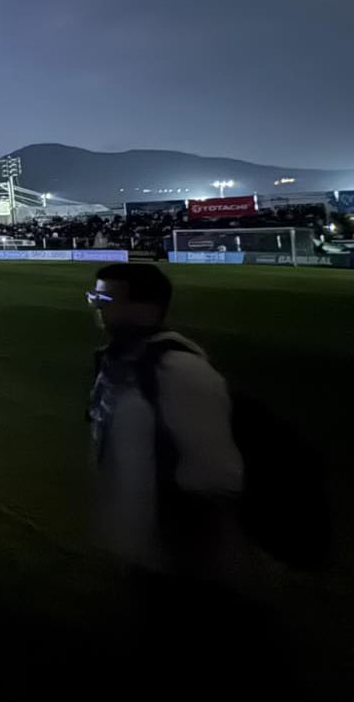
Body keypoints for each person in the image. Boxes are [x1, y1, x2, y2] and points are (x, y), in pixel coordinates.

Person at [85, 263, 262, 692]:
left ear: (146, 308)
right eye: (94, 298)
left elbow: (218, 475)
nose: (96, 307)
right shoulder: (120, 361)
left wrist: (188, 556)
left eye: (105, 299)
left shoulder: (180, 370)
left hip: (182, 568)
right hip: (144, 554)